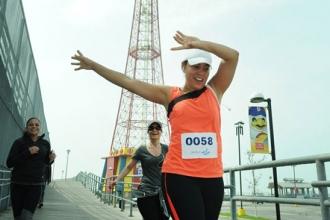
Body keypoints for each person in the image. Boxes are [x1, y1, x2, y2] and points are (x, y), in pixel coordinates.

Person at [71, 31, 239, 220]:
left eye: (206, 68)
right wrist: (93, 66)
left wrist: (199, 44)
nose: (201, 73)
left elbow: (232, 56)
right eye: (196, 67)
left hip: (212, 178)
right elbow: (128, 82)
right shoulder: (170, 95)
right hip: (179, 176)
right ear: (184, 67)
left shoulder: (215, 90)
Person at [110, 120, 169, 220]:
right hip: (146, 193)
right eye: (151, 128)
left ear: (161, 131)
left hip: (162, 194)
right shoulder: (142, 150)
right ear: (148, 131)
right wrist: (117, 180)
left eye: (157, 128)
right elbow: (129, 167)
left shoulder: (166, 149)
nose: (154, 130)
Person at [6, 117, 56, 220]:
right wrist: (27, 152)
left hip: (35, 186)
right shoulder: (19, 142)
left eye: (37, 125)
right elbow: (9, 163)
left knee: (26, 217)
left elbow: (45, 162)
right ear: (26, 128)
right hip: (18, 185)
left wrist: (51, 159)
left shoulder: (45, 144)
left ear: (40, 128)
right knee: (18, 218)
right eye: (31, 124)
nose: (34, 126)